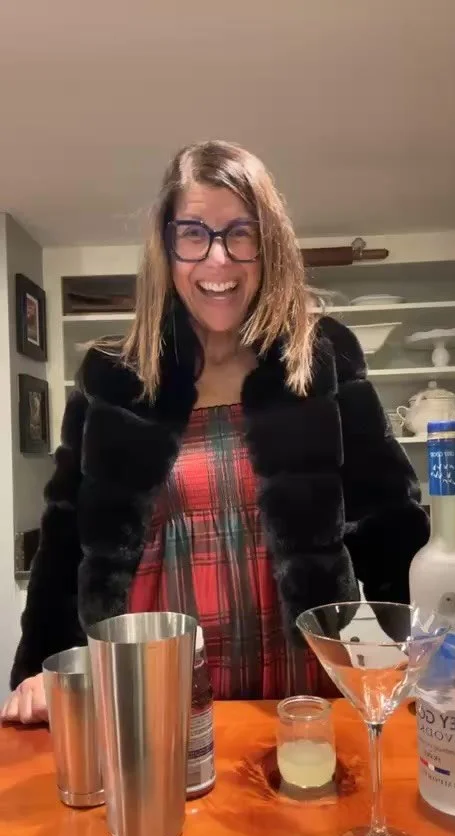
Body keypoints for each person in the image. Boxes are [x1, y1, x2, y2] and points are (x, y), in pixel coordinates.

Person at [1, 140, 429, 724]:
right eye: (193, 234)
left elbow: (391, 527)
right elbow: (65, 546)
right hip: (150, 694)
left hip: (301, 695)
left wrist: (424, 659)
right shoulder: (112, 379)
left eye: (240, 233)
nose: (218, 260)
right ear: (167, 247)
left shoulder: (322, 360)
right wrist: (41, 669)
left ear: (268, 245)